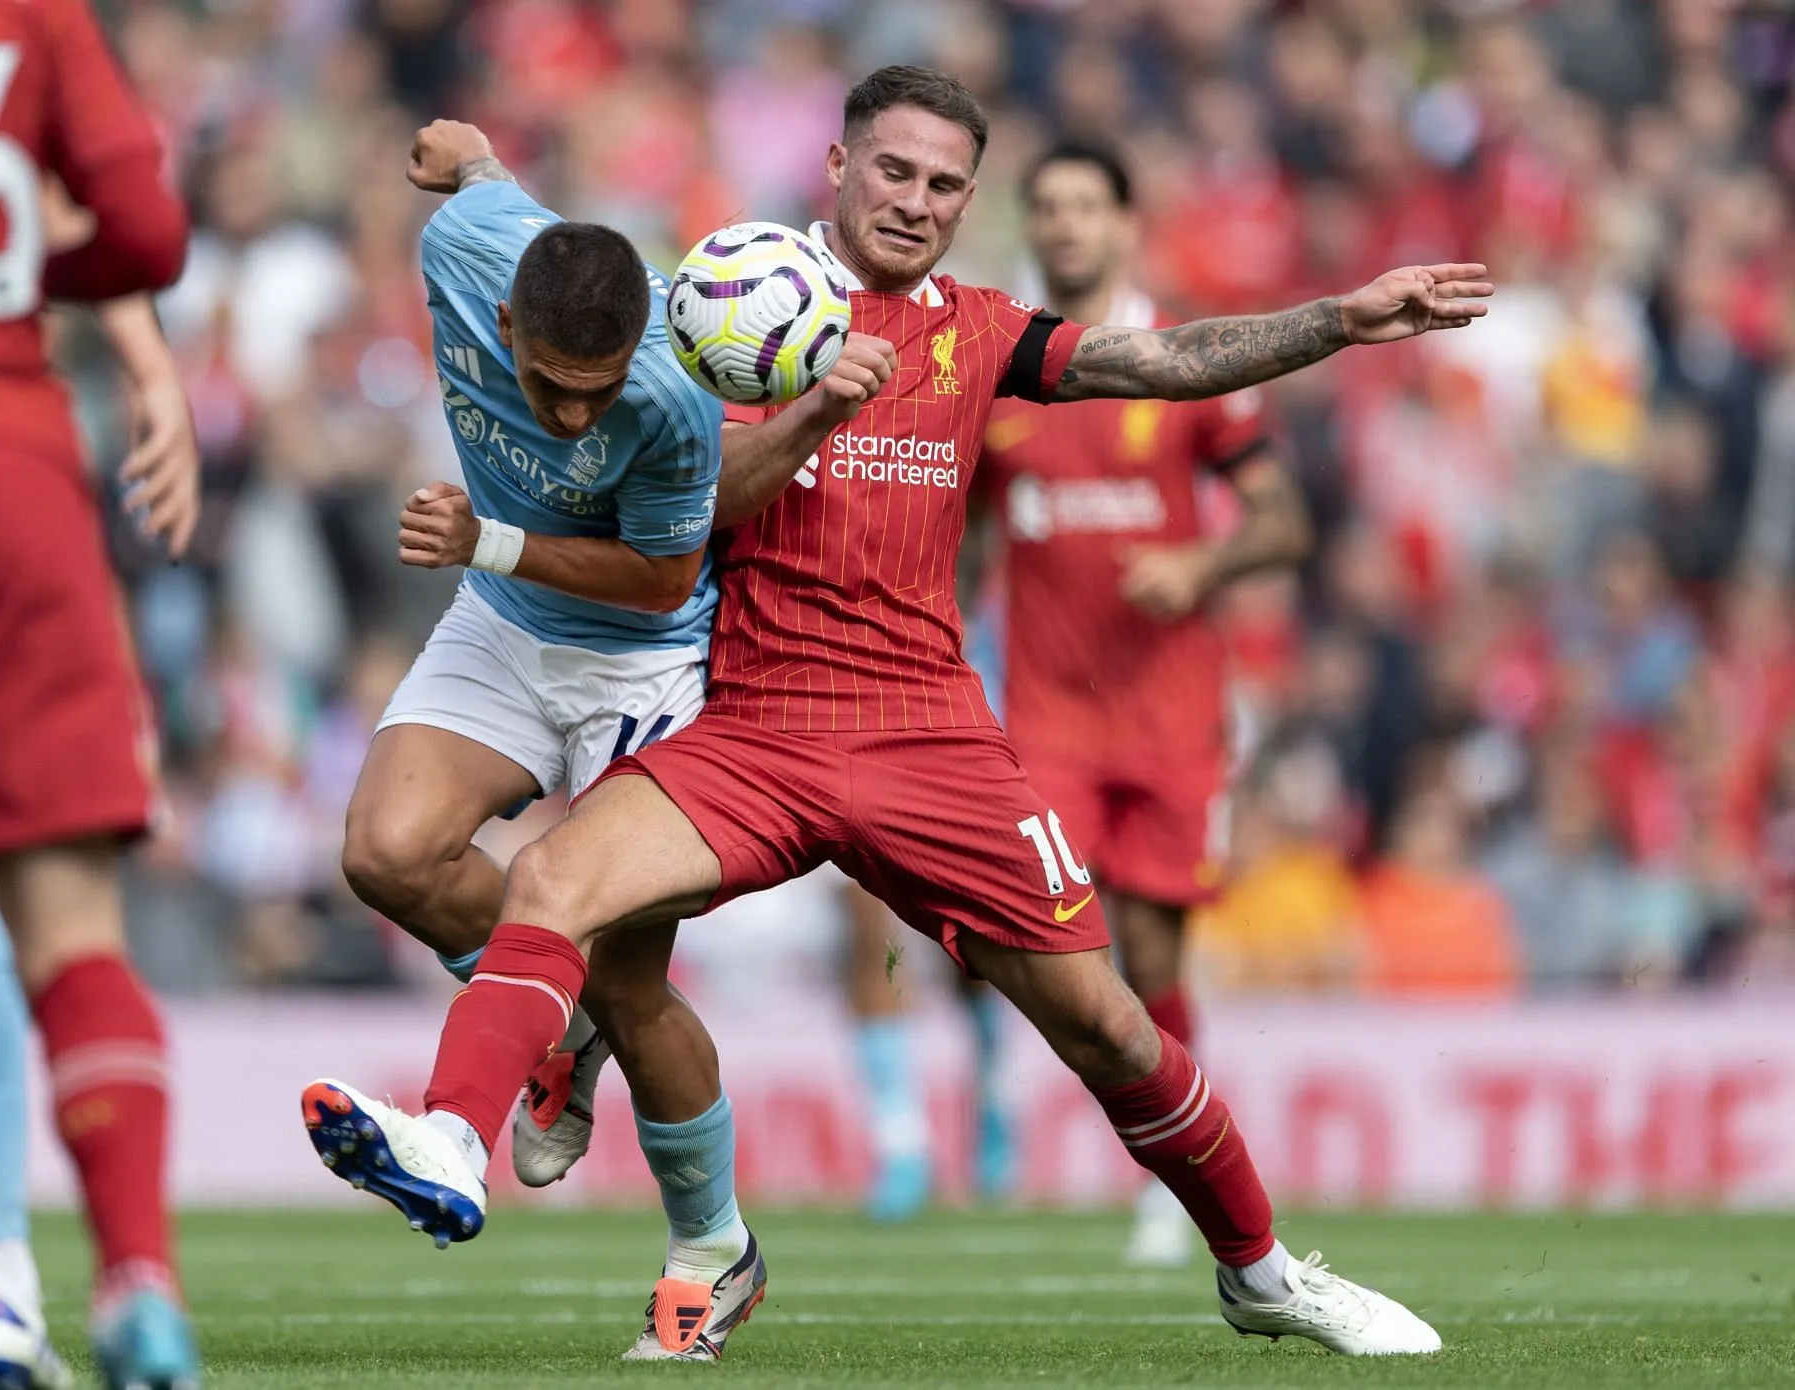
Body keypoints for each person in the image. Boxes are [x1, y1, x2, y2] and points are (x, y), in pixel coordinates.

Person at [308, 65, 1487, 1357]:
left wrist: (1338, 317)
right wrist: (820, 399)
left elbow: (1155, 356)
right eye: (894, 172)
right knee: (549, 879)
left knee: (1105, 1021)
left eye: (942, 184)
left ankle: (1261, 1270)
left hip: (929, 732)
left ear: (966, 199)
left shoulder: (979, 329)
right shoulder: (726, 303)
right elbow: (691, 516)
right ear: (838, 165)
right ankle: (452, 1137)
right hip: (756, 721)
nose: (915, 202)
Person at [308, 118, 890, 1362]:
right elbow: (479, 179)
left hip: (643, 651)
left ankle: (711, 1249)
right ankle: (545, 1020)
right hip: (509, 622)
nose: (576, 415)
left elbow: (657, 574)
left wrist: (490, 539)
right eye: (550, 385)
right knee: (385, 852)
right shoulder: (469, 252)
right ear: (504, 328)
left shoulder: (677, 395)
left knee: (625, 974)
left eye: (601, 385)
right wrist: (456, 149)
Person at [0, 4, 198, 1386]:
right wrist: (130, 349)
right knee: (65, 914)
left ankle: (2, 1274)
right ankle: (122, 1280)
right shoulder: (25, 12)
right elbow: (117, 218)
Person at [977, 140, 1314, 1265]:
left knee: (1156, 960)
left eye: (1088, 206)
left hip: (1171, 717)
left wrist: (1200, 569)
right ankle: (991, 1096)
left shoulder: (1182, 362)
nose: (1068, 225)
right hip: (1047, 719)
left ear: (1126, 224)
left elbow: (1285, 520)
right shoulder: (998, 369)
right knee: (1018, 936)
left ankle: (1175, 1172)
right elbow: (958, 533)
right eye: (1050, 206)